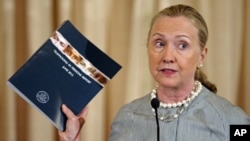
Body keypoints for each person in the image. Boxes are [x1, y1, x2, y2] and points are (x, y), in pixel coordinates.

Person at [58, 4, 250, 141]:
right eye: (159, 43)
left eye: (182, 45)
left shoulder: (234, 121)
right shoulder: (127, 117)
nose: (168, 56)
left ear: (202, 56)